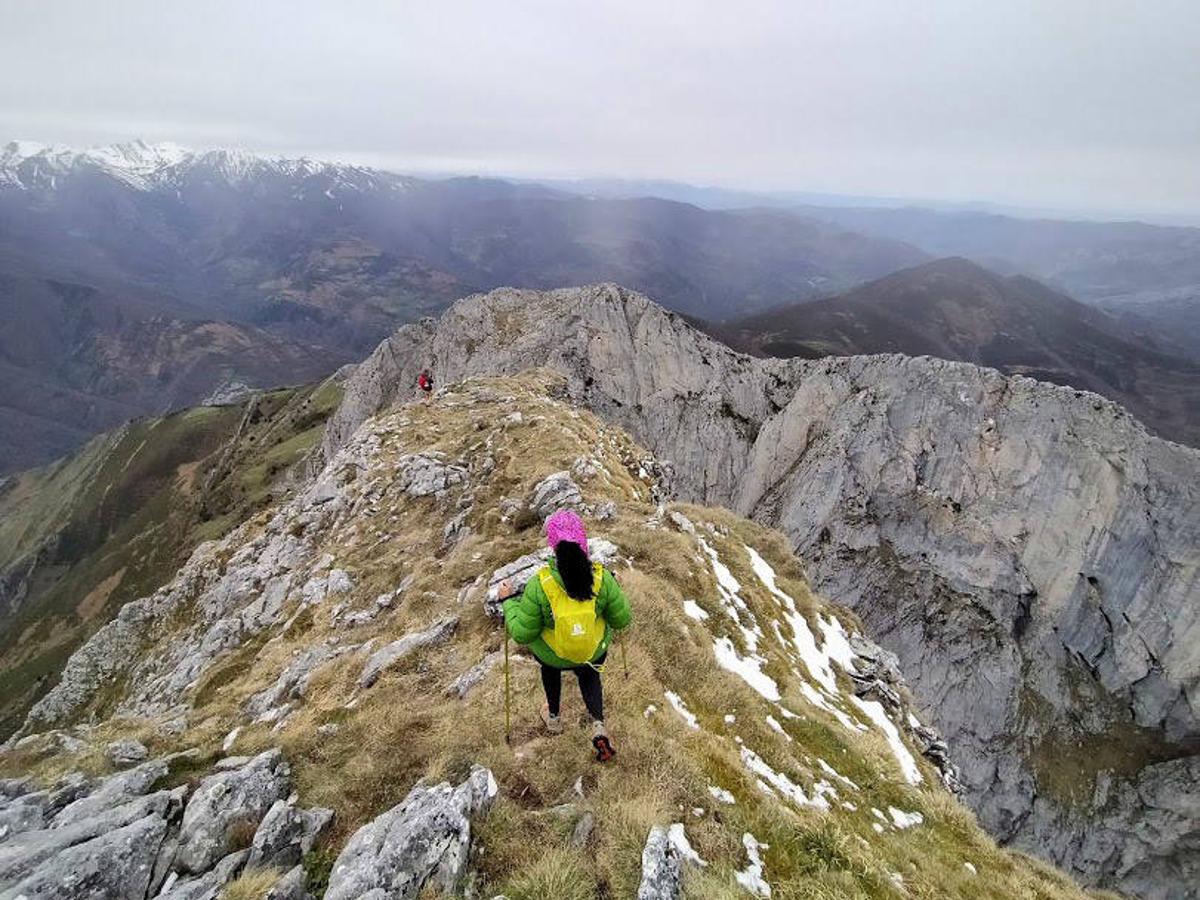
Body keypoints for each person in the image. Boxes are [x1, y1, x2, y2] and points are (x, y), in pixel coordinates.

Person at [501, 509, 631, 761]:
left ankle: (554, 719)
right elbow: (622, 620)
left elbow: (522, 634)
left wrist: (508, 602)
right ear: (583, 541)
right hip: (591, 650)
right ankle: (598, 726)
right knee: (589, 674)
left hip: (553, 655)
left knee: (550, 670)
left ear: (553, 545)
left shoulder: (541, 584)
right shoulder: (602, 578)